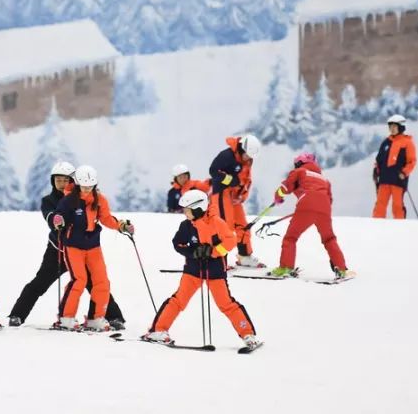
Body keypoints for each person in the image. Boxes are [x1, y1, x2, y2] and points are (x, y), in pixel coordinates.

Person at [7, 162, 126, 329]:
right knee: (41, 282)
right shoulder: (49, 200)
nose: (62, 183)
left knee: (94, 282)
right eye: (58, 180)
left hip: (81, 250)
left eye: (66, 180)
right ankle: (17, 315)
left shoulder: (83, 197)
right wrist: (57, 220)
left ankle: (113, 316)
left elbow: (100, 216)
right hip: (57, 250)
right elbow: (50, 217)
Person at [143, 189, 261, 351]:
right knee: (178, 300)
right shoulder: (186, 226)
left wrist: (212, 251)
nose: (185, 214)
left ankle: (248, 335)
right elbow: (177, 243)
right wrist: (193, 252)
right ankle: (157, 331)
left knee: (226, 304)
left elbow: (230, 241)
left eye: (187, 210)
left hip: (215, 272)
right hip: (193, 270)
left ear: (198, 209)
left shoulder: (217, 223)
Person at [51, 165, 133, 331]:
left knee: (102, 281)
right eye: (84, 186)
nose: (87, 189)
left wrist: (121, 226)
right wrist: (58, 221)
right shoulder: (69, 200)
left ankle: (95, 318)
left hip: (93, 245)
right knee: (79, 280)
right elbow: (59, 216)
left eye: (90, 186)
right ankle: (66, 318)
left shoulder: (99, 199)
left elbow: (106, 218)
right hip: (73, 245)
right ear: (78, 184)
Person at [269, 153, 350, 279]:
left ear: (300, 163)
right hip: (325, 208)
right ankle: (342, 269)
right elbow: (329, 199)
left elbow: (285, 187)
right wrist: (317, 209)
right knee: (329, 239)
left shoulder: (299, 172)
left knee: (290, 238)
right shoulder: (324, 180)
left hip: (306, 205)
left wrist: (278, 197)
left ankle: (286, 268)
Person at [207, 134, 264, 267]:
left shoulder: (247, 160)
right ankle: (218, 260)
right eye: (247, 156)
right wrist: (230, 180)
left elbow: (246, 180)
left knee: (243, 226)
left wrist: (242, 195)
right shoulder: (226, 156)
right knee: (224, 228)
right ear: (241, 149)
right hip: (221, 193)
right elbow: (213, 171)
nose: (249, 159)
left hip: (234, 197)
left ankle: (245, 256)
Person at [372, 114, 417, 219]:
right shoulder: (386, 142)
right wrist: (376, 171)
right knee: (380, 205)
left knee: (397, 205)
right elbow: (379, 160)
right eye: (390, 126)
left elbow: (412, 161)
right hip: (384, 179)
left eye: (394, 126)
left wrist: (404, 172)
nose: (391, 129)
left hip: (398, 179)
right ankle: (376, 226)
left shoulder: (407, 143)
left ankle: (399, 227)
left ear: (401, 127)